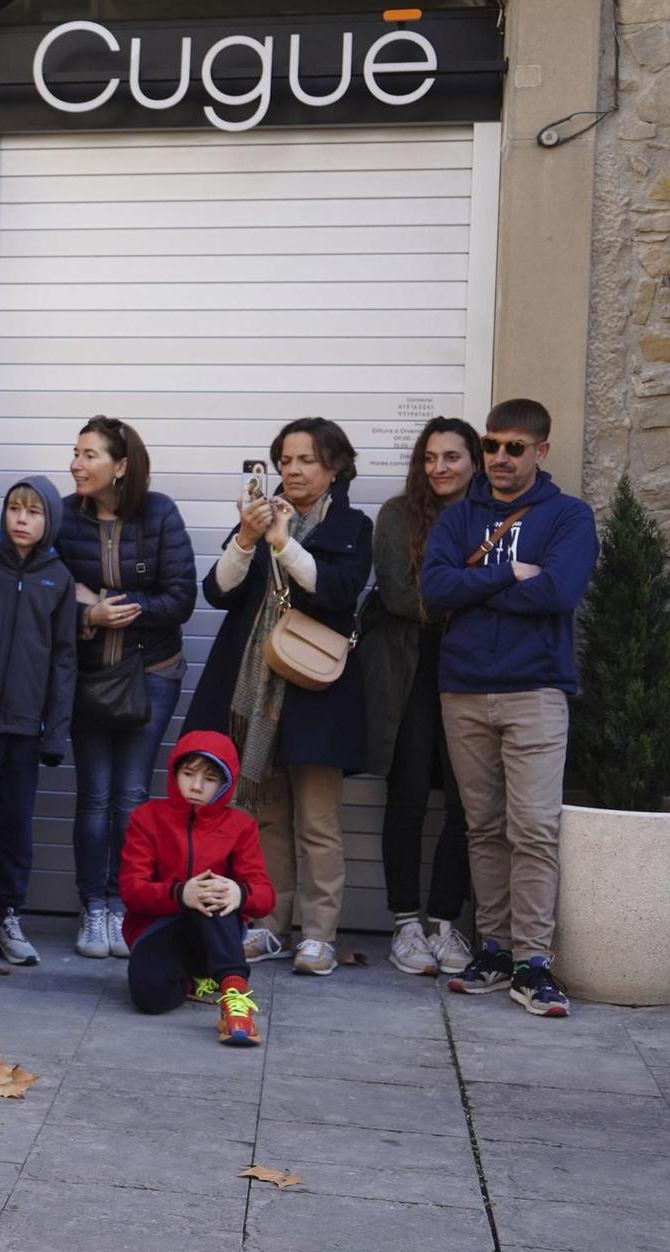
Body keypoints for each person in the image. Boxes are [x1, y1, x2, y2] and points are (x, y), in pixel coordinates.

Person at [421, 399, 598, 1019]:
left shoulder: (569, 517)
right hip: (463, 688)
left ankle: (533, 962)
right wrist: (508, 575)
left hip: (535, 690)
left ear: (540, 452)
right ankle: (493, 949)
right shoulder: (459, 516)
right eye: (492, 445)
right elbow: (434, 587)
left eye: (513, 447)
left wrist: (481, 588)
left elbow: (559, 590)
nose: (499, 457)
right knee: (483, 827)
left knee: (533, 829)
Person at [185, 418, 373, 978]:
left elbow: (337, 592)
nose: (292, 470)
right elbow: (218, 591)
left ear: (334, 467)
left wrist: (284, 544)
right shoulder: (261, 519)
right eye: (285, 460)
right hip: (251, 691)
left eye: (306, 460)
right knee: (263, 819)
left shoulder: (353, 526)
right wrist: (246, 538)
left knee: (318, 823)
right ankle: (269, 925)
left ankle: (318, 935)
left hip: (316, 692)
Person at [58, 416, 196, 959]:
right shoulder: (64, 517)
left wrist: (115, 605)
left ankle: (126, 906)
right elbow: (48, 589)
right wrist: (88, 615)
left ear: (120, 466)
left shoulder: (158, 513)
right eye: (75, 453)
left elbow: (181, 596)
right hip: (89, 677)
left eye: (89, 455)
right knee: (94, 797)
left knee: (132, 796)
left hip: (151, 673)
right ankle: (94, 908)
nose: (76, 464)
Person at [362, 418, 479, 977]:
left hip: (471, 673)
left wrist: (461, 594)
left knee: (465, 803)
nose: (440, 468)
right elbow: (400, 594)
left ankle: (445, 921)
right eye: (430, 457)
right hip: (407, 671)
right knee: (407, 795)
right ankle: (406, 923)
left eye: (452, 457)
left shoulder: (492, 514)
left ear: (473, 461)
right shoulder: (397, 514)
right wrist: (477, 595)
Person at [0, 476, 76, 968]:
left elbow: (64, 659)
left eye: (34, 512)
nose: (22, 519)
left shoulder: (58, 578)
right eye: (14, 509)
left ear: (49, 521)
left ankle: (8, 916)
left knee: (15, 825)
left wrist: (56, 730)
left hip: (26, 727)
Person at [119, 733, 275, 1046]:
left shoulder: (240, 826)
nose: (196, 786)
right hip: (160, 926)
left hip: (215, 932)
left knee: (214, 890)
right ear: (174, 772)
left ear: (225, 784)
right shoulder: (147, 818)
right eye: (188, 774)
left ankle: (235, 999)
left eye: (210, 778)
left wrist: (239, 893)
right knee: (151, 999)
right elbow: (131, 889)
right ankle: (192, 979)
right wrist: (180, 894)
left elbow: (265, 896)